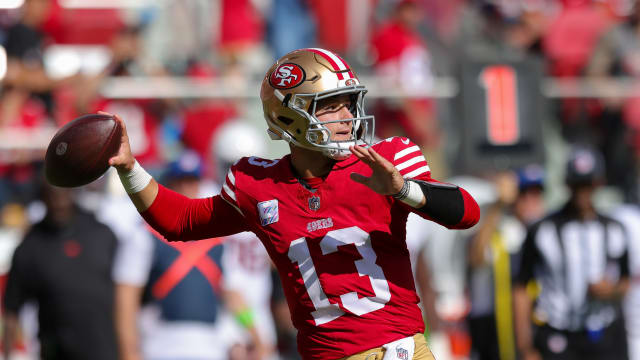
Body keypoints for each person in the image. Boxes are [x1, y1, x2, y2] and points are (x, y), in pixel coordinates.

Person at [106, 47, 480, 359]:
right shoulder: (259, 184)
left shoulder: (385, 162)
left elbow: (466, 213)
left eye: (350, 104)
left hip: (394, 351)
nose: (349, 117)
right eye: (332, 106)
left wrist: (403, 190)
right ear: (289, 115)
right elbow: (181, 221)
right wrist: (129, 167)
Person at [108, 151, 269, 360]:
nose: (186, 188)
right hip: (159, 347)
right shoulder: (143, 235)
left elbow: (232, 295)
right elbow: (126, 296)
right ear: (168, 184)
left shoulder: (218, 239)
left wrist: (255, 335)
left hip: (210, 348)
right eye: (180, 181)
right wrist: (129, 352)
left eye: (192, 181)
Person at [513, 145, 630, 360]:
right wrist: (526, 346)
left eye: (588, 184)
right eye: (578, 185)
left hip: (603, 333)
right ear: (567, 184)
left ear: (599, 184)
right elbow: (521, 287)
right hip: (558, 333)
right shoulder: (542, 230)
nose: (583, 192)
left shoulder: (615, 230)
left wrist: (610, 291)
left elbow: (626, 281)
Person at [2, 181, 118, 360]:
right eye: (52, 196)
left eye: (63, 195)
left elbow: (128, 295)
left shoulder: (101, 233)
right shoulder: (31, 246)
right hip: (56, 349)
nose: (58, 203)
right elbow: (12, 307)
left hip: (105, 347)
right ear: (42, 198)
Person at [466, 165, 546, 360]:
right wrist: (498, 204)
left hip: (539, 327)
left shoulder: (549, 231)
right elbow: (476, 256)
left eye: (536, 194)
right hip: (496, 332)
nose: (530, 201)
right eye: (524, 194)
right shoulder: (503, 231)